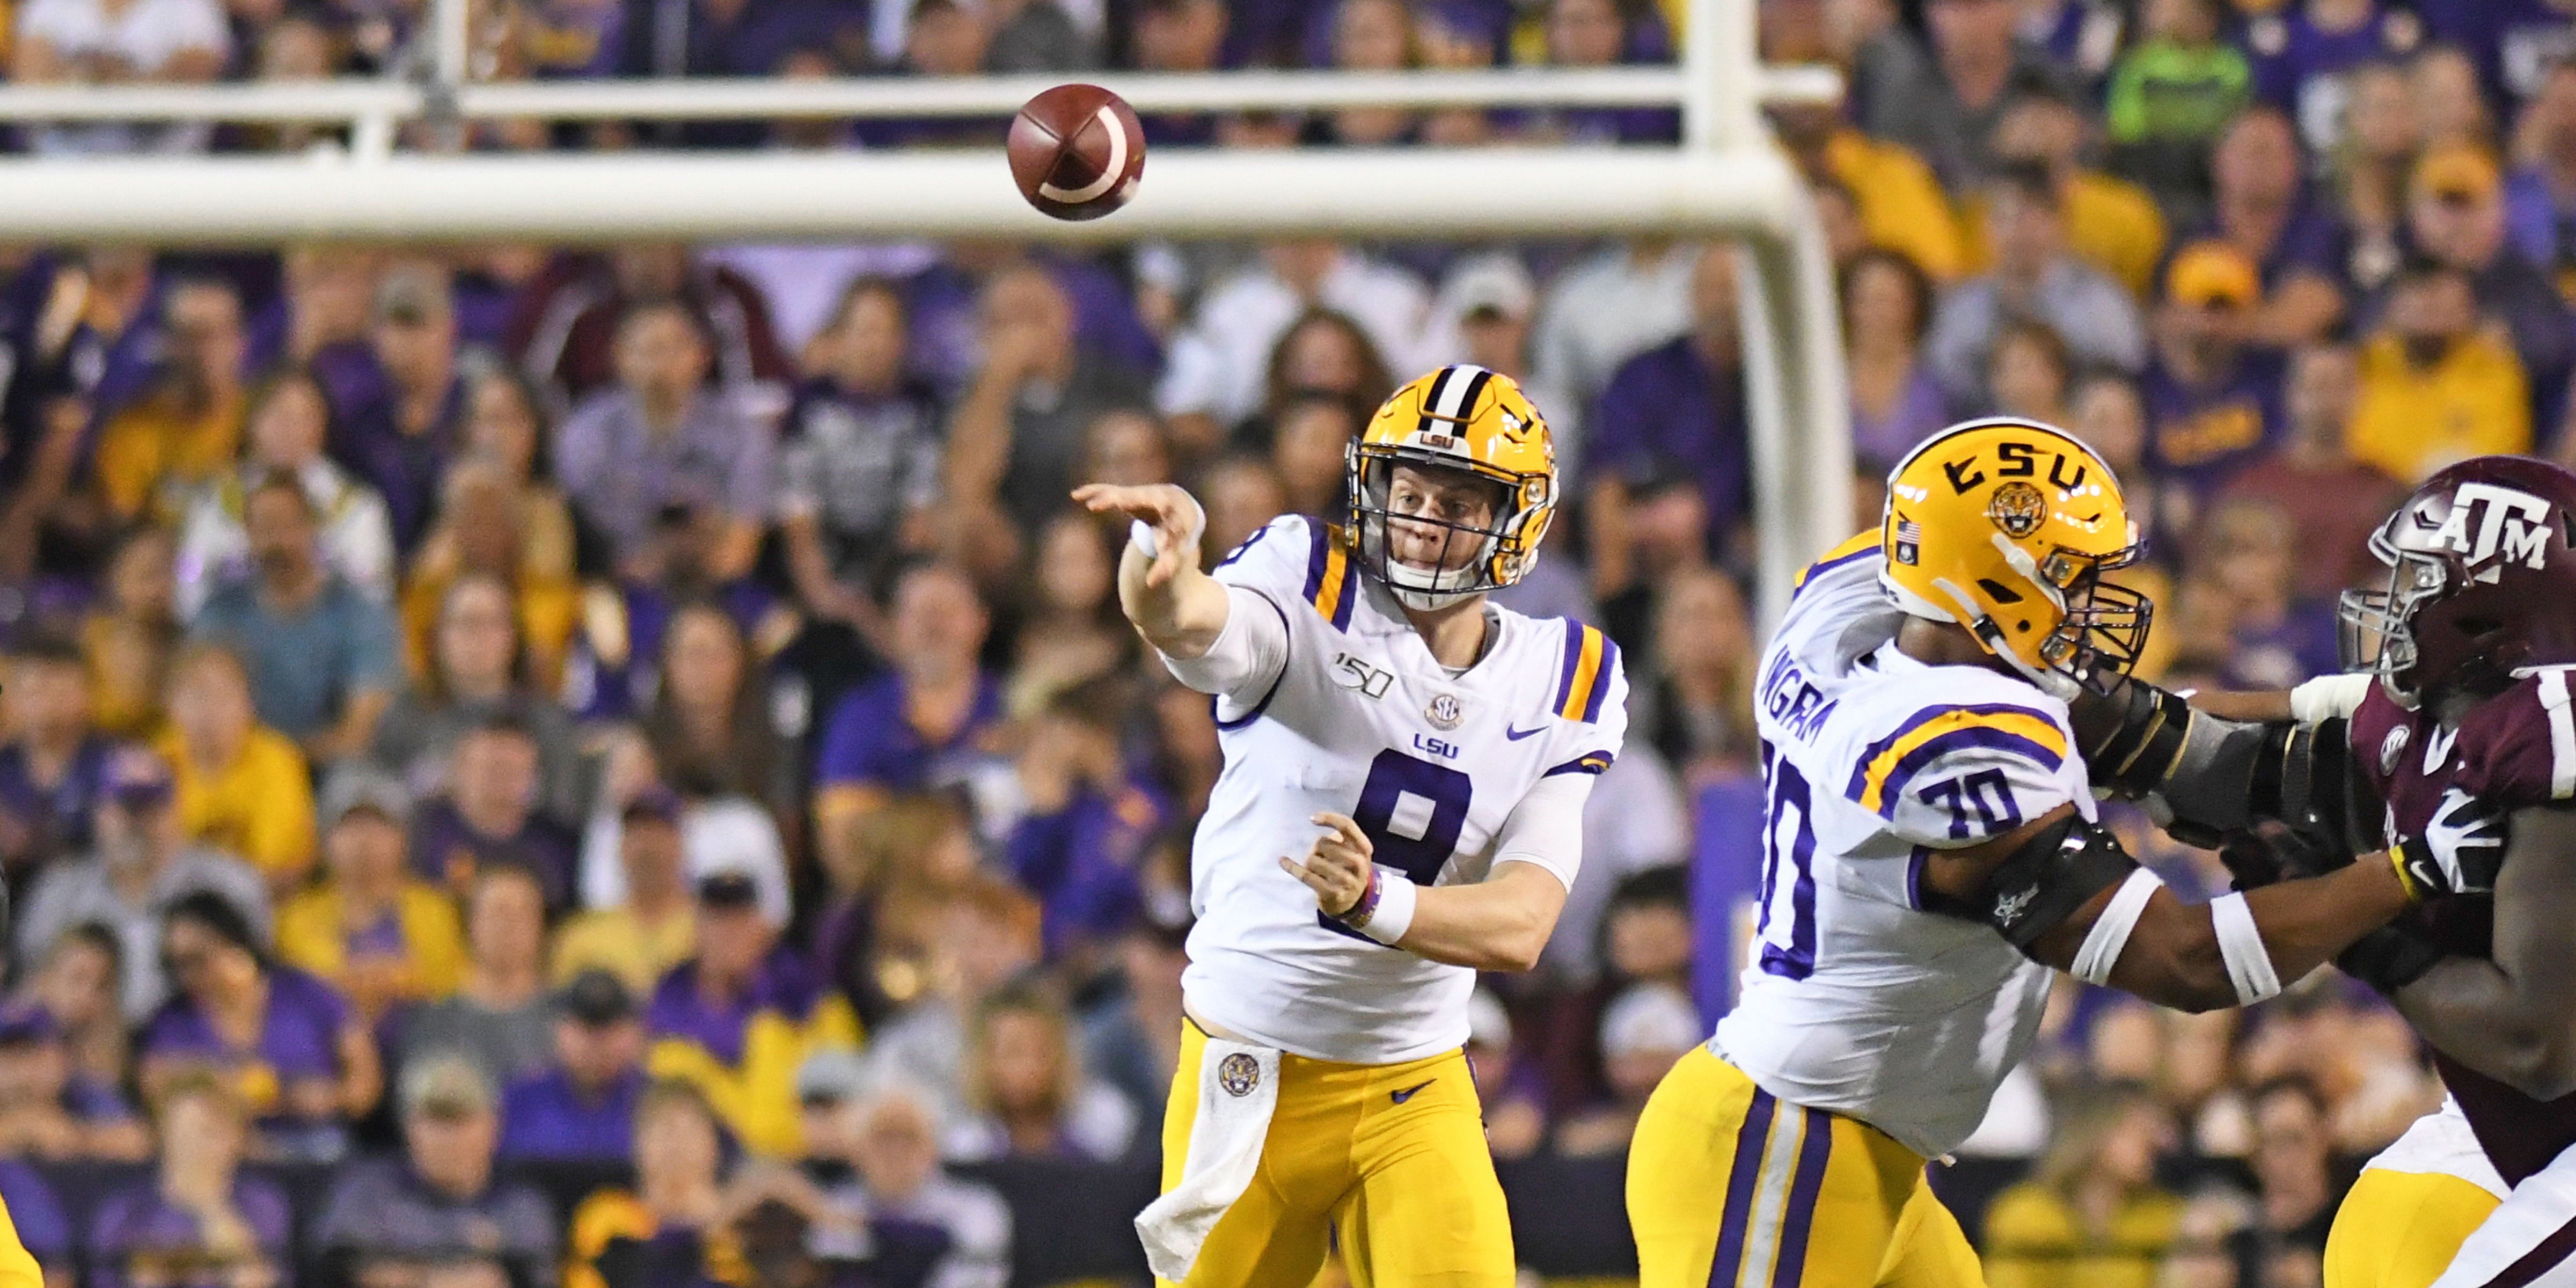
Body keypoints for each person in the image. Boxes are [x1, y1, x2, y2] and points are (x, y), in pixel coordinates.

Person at [1624, 418, 2463, 1288]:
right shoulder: (1959, 745)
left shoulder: (1870, 609)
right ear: (1991, 584)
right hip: (1780, 1149)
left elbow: (2142, 734)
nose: (2095, 601)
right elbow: (2184, 963)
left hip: (1865, 1153)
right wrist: (2410, 871)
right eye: (2071, 577)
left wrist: (2340, 716)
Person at [1075, 363, 1628, 1287]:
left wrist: (1377, 901)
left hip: (1415, 1079)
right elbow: (1194, 620)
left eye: (1456, 500)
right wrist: (1154, 563)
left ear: (1519, 520)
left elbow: (1524, 922)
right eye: (1406, 490)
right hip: (1251, 1070)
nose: (1419, 517)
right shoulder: (1307, 577)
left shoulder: (1566, 675)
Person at [16, 747, 269, 1021]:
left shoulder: (230, 882)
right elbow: (32, 989)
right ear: (98, 813)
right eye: (125, 807)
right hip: (90, 1050)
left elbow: (260, 981)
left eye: (150, 806)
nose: (137, 821)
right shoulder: (60, 891)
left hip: (196, 1045)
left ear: (176, 810)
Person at [141, 888, 380, 1161]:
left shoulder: (303, 992)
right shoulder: (173, 1021)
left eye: (199, 958)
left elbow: (365, 1082)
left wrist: (333, 1097)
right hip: (227, 1155)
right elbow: (158, 1092)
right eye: (177, 964)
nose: (190, 975)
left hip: (319, 1144)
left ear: (234, 942)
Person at [554, 299, 774, 585]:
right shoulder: (587, 433)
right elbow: (579, 534)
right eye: (648, 351)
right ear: (619, 357)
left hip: (714, 583)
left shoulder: (741, 433)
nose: (661, 364)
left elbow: (742, 541)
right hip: (616, 583)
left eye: (674, 348)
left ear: (702, 355)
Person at [188, 471, 401, 764]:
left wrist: (280, 764)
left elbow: (359, 733)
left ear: (313, 528)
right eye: (265, 528)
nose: (278, 543)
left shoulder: (359, 613)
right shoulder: (221, 613)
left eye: (288, 527)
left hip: (332, 769)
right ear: (247, 535)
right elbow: (197, 712)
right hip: (239, 768)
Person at [646, 872, 858, 1159]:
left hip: (804, 1162)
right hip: (707, 1163)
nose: (729, 934)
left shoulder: (810, 997)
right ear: (696, 930)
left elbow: (845, 1086)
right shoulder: (668, 1004)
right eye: (717, 920)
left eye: (740, 921)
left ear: (761, 928)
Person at [314, 1053, 559, 1288]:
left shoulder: (521, 1208)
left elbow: (539, 1275)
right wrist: (426, 1281)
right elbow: (333, 1269)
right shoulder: (367, 1195)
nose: (448, 1139)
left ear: (493, 1126)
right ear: (409, 1126)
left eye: (460, 1121)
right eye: (436, 1120)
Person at [172, 367, 397, 617]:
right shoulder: (213, 502)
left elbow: (373, 597)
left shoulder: (357, 509)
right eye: (278, 415)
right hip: (233, 641)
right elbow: (190, 582)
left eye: (305, 417)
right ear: (252, 421)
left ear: (323, 425)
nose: (290, 429)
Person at [274, 774, 467, 1028]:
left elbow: (448, 986)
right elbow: (310, 987)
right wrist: (392, 978)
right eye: (350, 827)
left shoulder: (435, 909)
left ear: (403, 839)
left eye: (379, 827)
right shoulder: (297, 916)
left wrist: (371, 980)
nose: (364, 841)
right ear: (325, 840)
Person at [89, 1073, 289, 1288]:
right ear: (162, 1135)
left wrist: (212, 1208)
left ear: (236, 1137)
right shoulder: (127, 1211)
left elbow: (259, 1280)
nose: (193, 1148)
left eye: (208, 1132)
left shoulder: (262, 1204)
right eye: (182, 1132)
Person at [2346, 258, 2532, 481]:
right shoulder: (2363, 365)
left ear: (2468, 310)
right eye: (2422, 302)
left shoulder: (2496, 368)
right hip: (2371, 501)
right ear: (2393, 308)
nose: (2431, 311)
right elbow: (2350, 447)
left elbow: (2500, 454)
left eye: (2442, 306)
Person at [1981, 1086, 2182, 1288]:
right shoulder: (2025, 1214)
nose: (2154, 1143)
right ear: (2094, 1134)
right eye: (2137, 1130)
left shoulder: (2165, 1218)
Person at [156, 643, 317, 894]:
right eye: (197, 695)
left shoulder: (277, 759)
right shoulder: (156, 763)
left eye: (223, 696)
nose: (210, 711)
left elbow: (280, 868)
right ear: (170, 704)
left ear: (248, 704)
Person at [399, 862, 557, 1088]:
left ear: (541, 926)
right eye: (498, 912)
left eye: (523, 913)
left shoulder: (569, 1020)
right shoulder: (434, 1023)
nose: (509, 926)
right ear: (471, 923)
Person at [943, 986, 1137, 1163]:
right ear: (983, 1060)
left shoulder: (1105, 1127)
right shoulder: (966, 1149)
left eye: (1040, 1051)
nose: (1029, 1066)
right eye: (1013, 1052)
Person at [552, 789, 698, 997]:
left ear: (681, 844)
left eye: (660, 835)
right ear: (621, 847)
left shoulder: (709, 931)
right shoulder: (583, 935)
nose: (648, 848)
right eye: (638, 835)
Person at [498, 969, 649, 1166]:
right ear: (559, 1030)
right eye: (585, 1029)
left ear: (635, 1033)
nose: (598, 1043)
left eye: (611, 1029)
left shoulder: (656, 1102)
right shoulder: (520, 1101)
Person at [0, 634, 120, 879]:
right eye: (34, 689)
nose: (45, 703)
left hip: (92, 895)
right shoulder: (4, 764)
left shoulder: (113, 763)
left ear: (86, 694)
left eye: (59, 690)